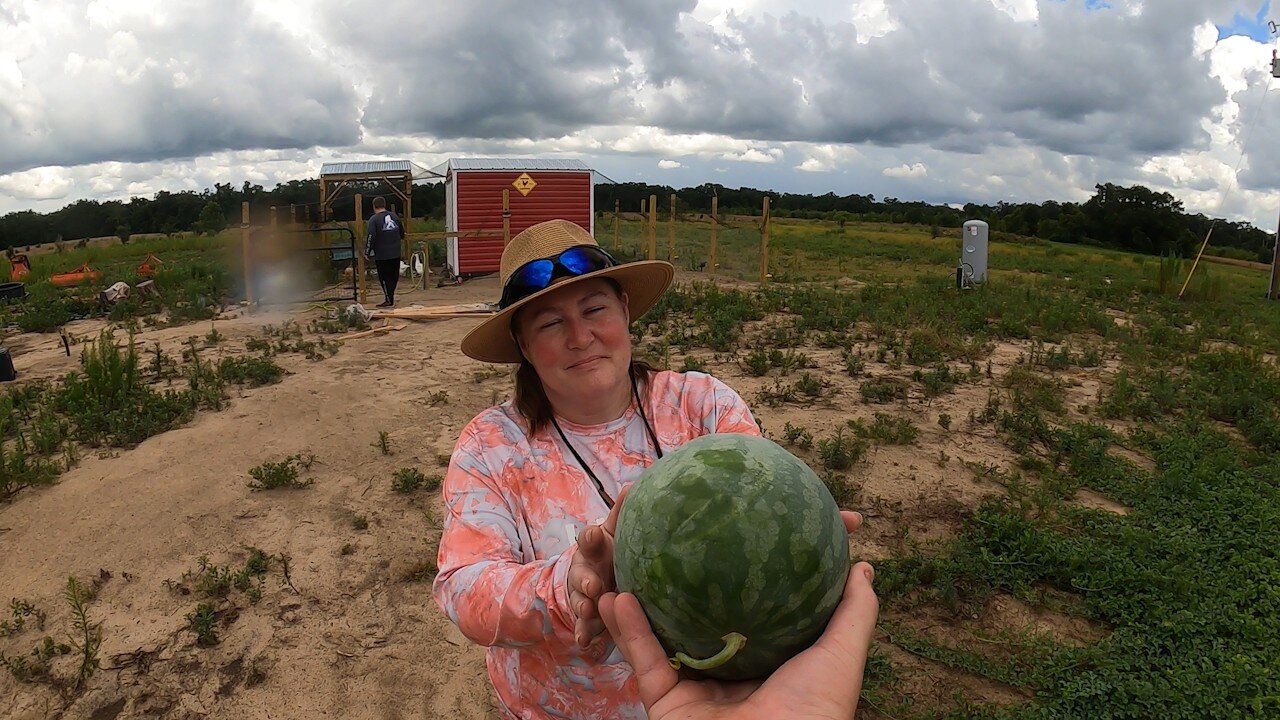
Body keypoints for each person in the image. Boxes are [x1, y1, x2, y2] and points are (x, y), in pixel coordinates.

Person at [432, 219, 877, 719]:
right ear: (523, 347)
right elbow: (463, 587)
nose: (581, 337)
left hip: (706, 703)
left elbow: (765, 521)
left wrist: (804, 550)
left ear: (624, 311)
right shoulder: (493, 445)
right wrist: (568, 585)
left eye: (594, 309)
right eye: (550, 323)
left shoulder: (702, 406)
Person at [364, 196, 405, 308]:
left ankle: (388, 298)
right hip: (396, 251)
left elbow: (371, 236)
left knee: (384, 277)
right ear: (384, 204)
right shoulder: (394, 216)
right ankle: (390, 296)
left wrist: (367, 252)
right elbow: (402, 232)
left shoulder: (374, 219)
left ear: (374, 206)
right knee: (393, 276)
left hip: (382, 254)